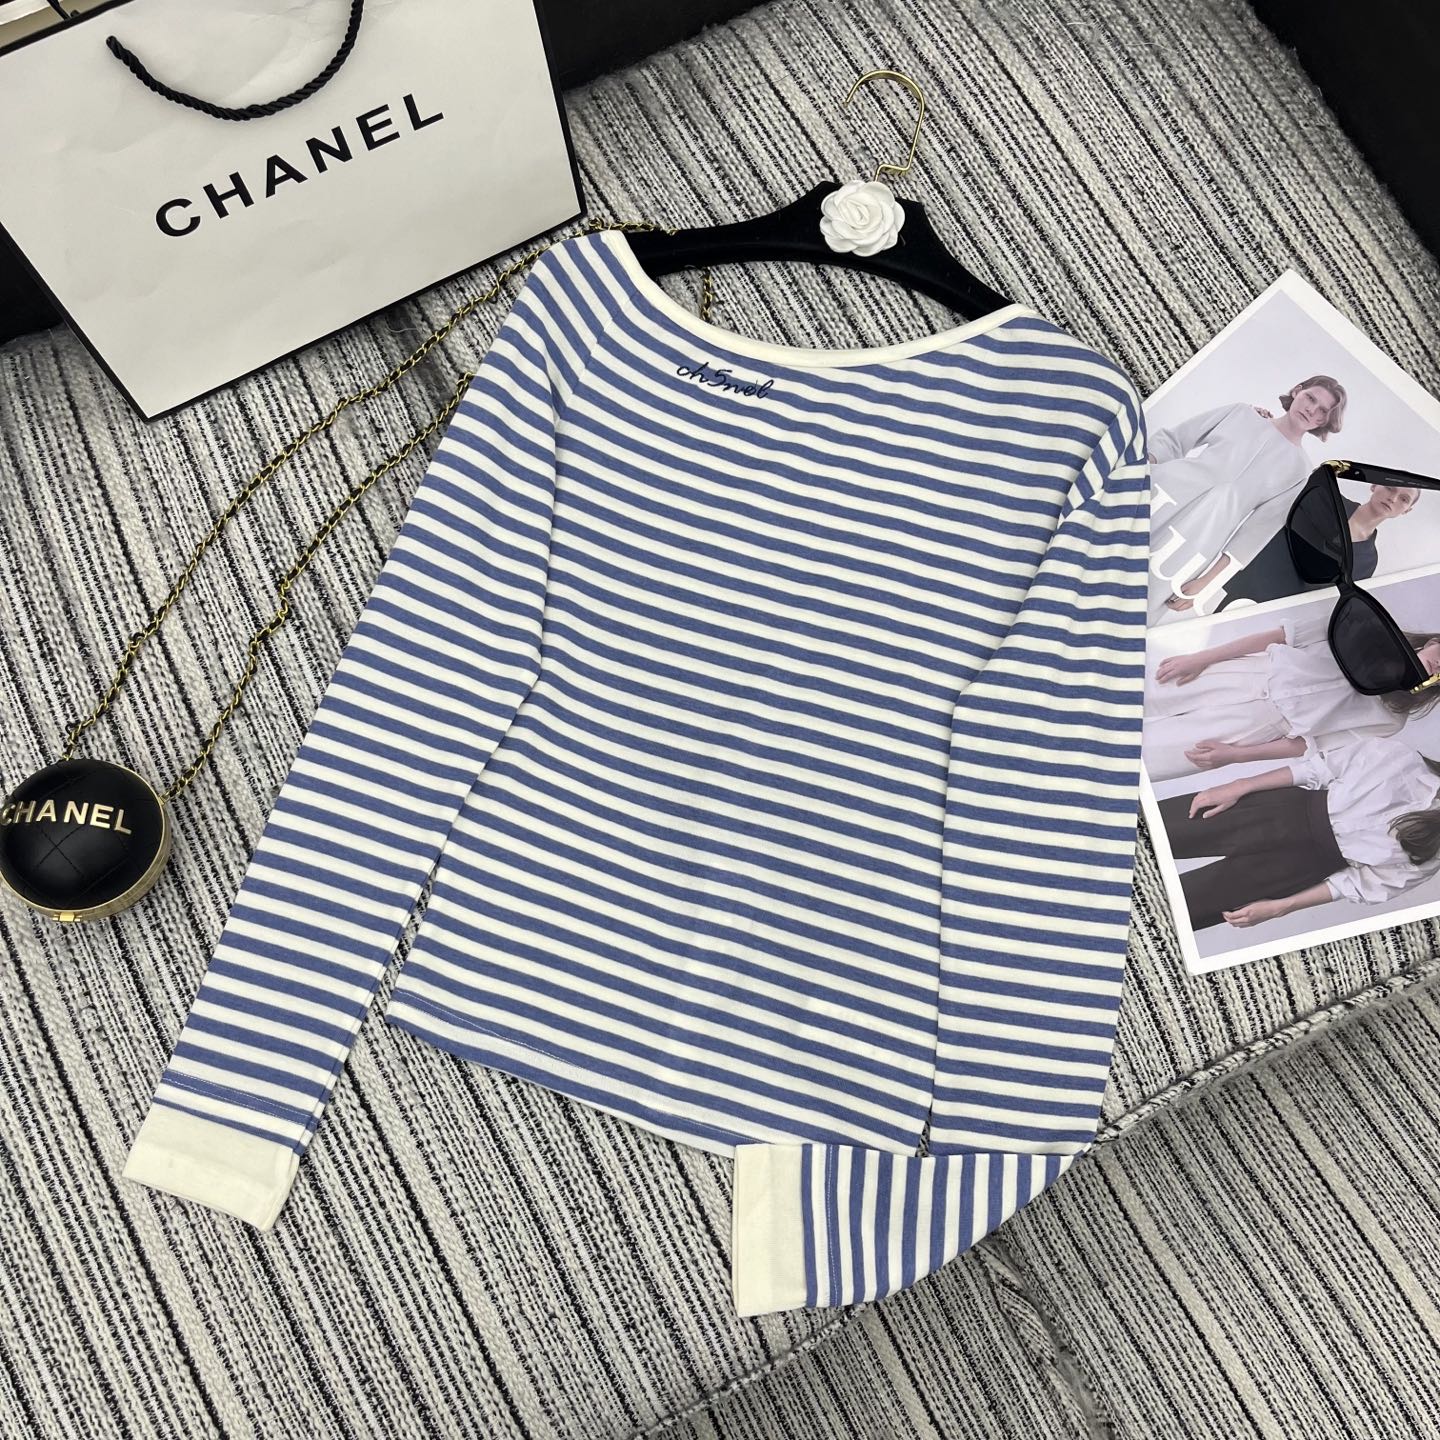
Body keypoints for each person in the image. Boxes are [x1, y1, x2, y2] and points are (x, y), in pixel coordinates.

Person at [1158, 734, 1440, 931]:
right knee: (1155, 830)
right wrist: (1240, 786)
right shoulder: (1402, 759)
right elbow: (1315, 770)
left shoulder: (1435, 853)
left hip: (1295, 868)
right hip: (1273, 810)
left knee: (1179, 908)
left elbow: (1357, 885)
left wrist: (1281, 907)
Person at [1147, 375, 1347, 624]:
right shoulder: (1242, 413)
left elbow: (1255, 534)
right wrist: (1140, 471)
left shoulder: (1301, 471)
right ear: (1297, 391)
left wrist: (1207, 583)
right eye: (1310, 398)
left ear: (1323, 421)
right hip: (1160, 496)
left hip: (1196, 540)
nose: (1311, 410)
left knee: (1139, 605)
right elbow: (1175, 439)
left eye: (1323, 411)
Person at [1143, 614, 1440, 781]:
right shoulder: (1364, 624)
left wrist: (1234, 756)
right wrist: (1202, 657)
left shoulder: (1391, 718)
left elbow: (1309, 744)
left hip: (1251, 728)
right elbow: (1279, 636)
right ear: (1434, 641)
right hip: (1238, 675)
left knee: (1147, 759)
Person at [1218, 480, 1421, 609]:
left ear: (1407, 511)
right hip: (1247, 584)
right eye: (1390, 488)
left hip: (1277, 612)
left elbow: (1328, 598)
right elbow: (1275, 511)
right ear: (1374, 486)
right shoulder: (1325, 497)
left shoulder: (1368, 560)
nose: (1393, 498)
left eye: (1404, 499)